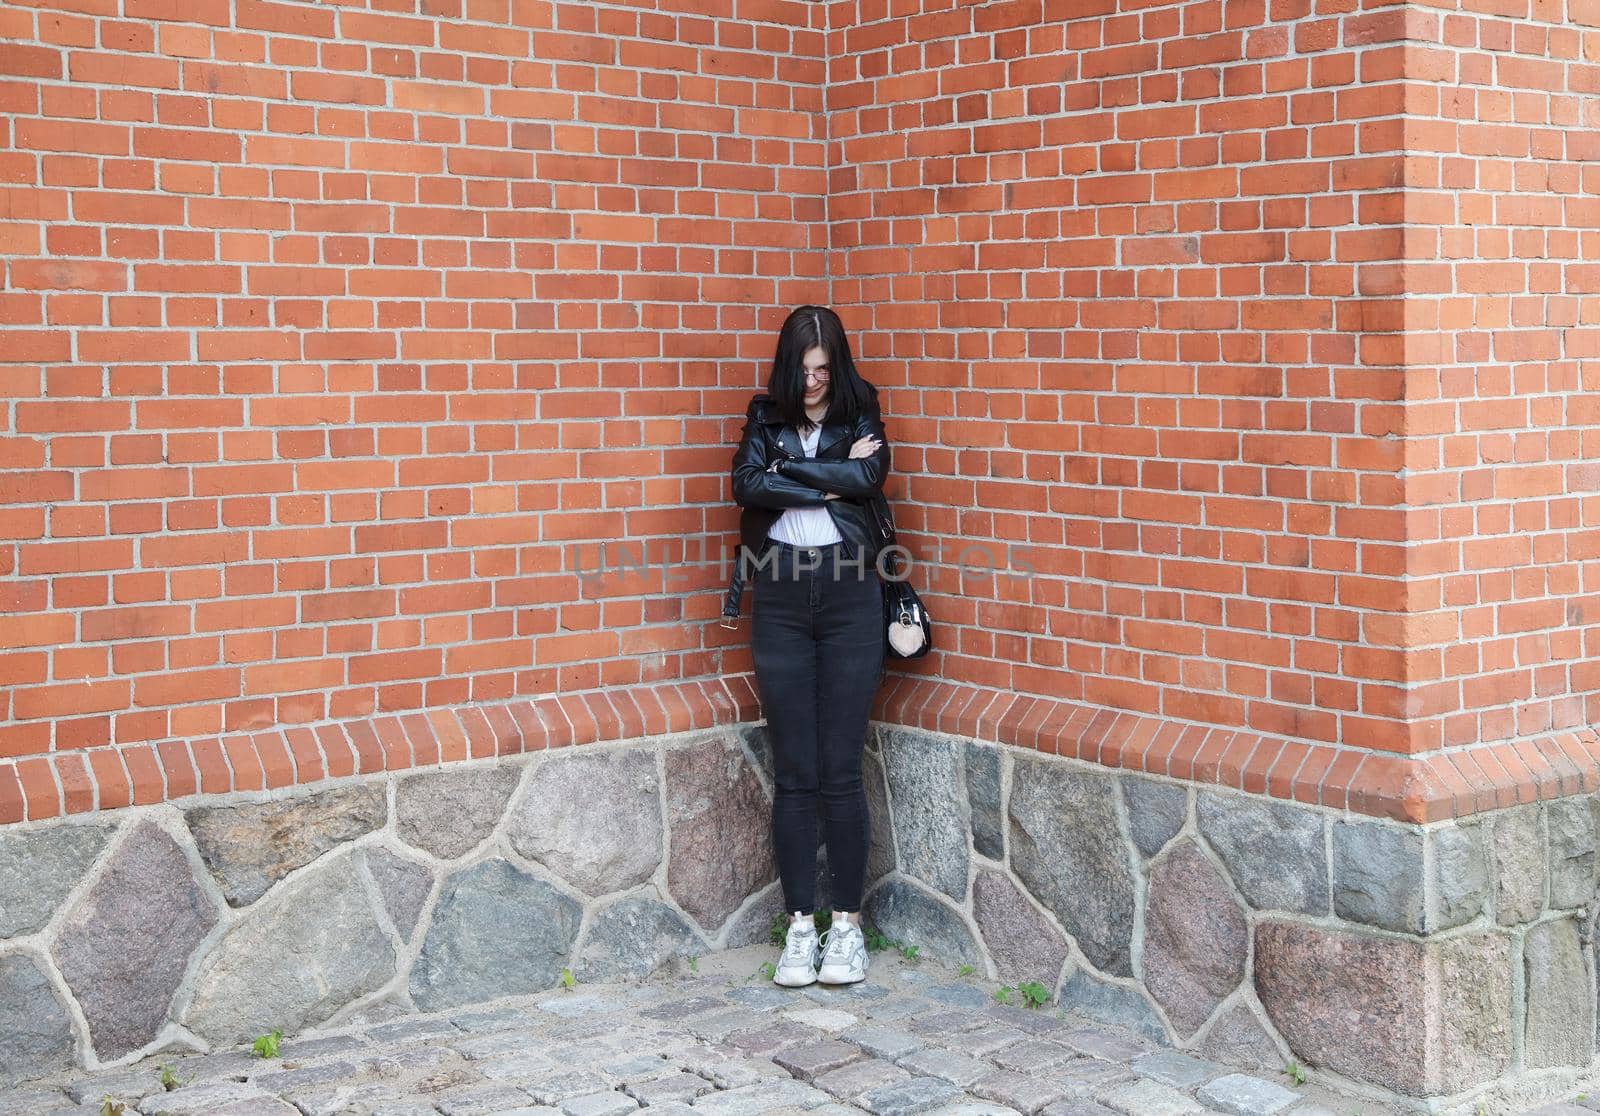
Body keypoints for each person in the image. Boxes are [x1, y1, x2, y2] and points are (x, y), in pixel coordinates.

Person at [726, 305, 892, 987]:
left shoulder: (862, 412)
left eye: (826, 368)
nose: (816, 380)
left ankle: (846, 930)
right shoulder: (763, 416)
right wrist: (829, 478)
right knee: (796, 771)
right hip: (783, 600)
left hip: (853, 595)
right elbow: (744, 484)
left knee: (839, 768)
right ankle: (801, 928)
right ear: (788, 365)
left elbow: (871, 479)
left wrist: (790, 475)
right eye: (806, 368)